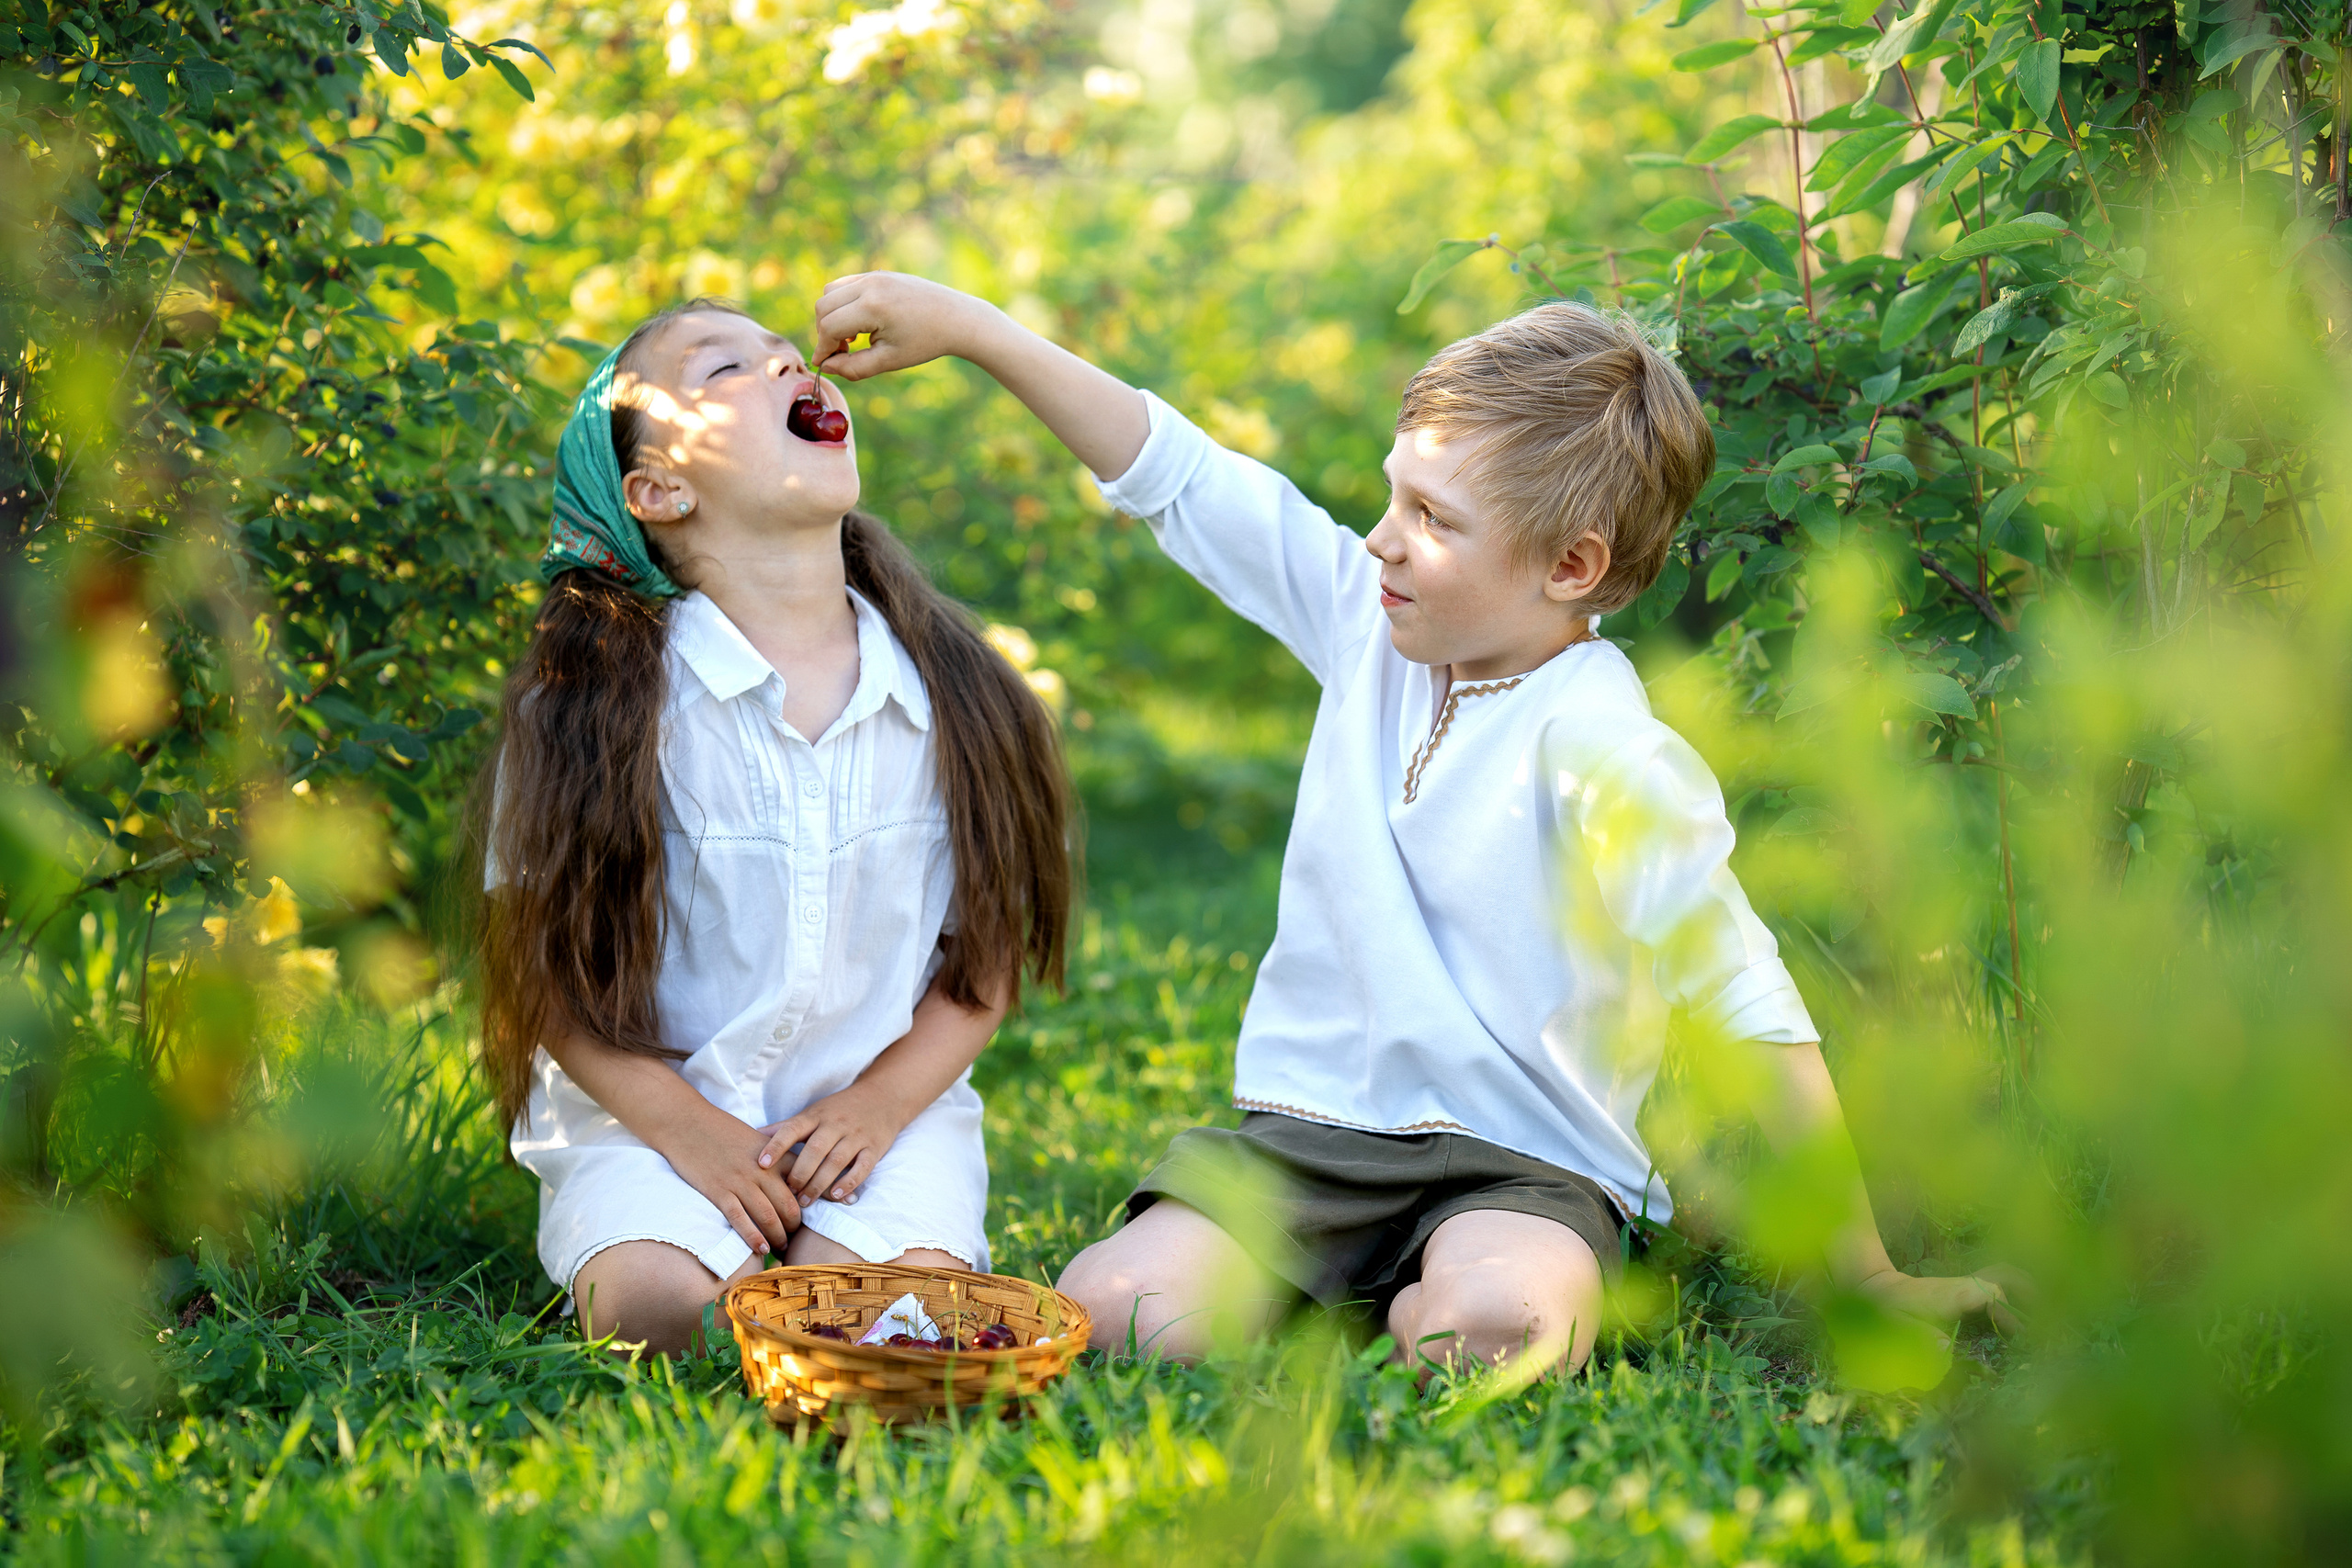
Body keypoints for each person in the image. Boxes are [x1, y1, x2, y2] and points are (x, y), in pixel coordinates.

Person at [809, 274, 2019, 1376]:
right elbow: (1173, 472)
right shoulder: (1362, 620)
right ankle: (1326, 1288)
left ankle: (1426, 1297)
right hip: (1309, 1144)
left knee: (1493, 1330)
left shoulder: (1609, 746)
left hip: (1526, 1164)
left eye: (1432, 518)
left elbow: (1744, 1003)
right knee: (1120, 1311)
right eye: (1393, 492)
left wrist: (1865, 1268)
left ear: (1571, 564)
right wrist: (969, 328)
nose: (1384, 537)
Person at [474, 299, 1073, 1354]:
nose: (790, 365)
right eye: (726, 369)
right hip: (654, 1115)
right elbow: (539, 978)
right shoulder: (587, 708)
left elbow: (985, 959)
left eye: (789, 356)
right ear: (657, 490)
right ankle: (704, 1254)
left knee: (888, 1320)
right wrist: (692, 1137)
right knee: (659, 1304)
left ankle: (835, 1258)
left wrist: (882, 1109)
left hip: (877, 1122)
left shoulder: (958, 694)